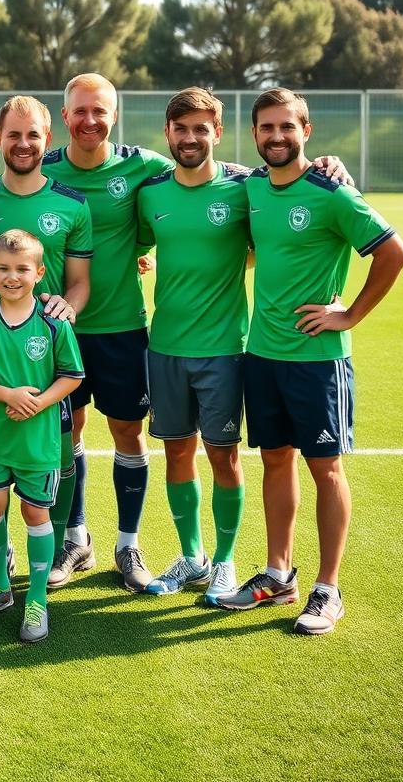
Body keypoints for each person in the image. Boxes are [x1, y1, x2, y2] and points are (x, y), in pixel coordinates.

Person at [217, 89, 403, 634]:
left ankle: (328, 588)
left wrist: (349, 314)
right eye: (266, 128)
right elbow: (201, 164)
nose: (276, 137)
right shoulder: (250, 185)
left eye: (286, 127)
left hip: (318, 361)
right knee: (275, 460)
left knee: (324, 467)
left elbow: (394, 253)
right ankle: (278, 575)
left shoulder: (332, 193)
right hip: (262, 353)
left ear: (307, 130)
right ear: (254, 135)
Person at [41, 73, 173, 591]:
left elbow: (211, 171)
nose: (90, 120)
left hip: (121, 327)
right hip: (57, 328)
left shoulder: (142, 166)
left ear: (113, 115)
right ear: (65, 115)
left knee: (127, 432)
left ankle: (128, 543)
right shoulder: (43, 169)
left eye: (100, 111)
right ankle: (76, 539)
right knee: (64, 434)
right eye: (80, 111)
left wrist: (324, 165)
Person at [0, 95, 92, 595]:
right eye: (13, 135)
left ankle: (58, 546)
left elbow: (79, 282)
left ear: (47, 140)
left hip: (46, 357)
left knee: (56, 456)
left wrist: (68, 310)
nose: (22, 144)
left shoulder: (72, 204)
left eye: (32, 135)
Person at [135, 88, 251, 603]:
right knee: (176, 452)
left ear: (217, 133)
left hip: (224, 348)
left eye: (201, 128)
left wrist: (328, 162)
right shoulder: (152, 193)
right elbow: (136, 244)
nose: (190, 138)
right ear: (167, 133)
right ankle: (192, 557)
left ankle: (225, 562)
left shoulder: (245, 188)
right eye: (181, 129)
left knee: (223, 456)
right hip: (165, 347)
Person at [0, 230, 84, 642]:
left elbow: (72, 376)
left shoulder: (53, 322)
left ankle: (38, 598)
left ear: (39, 272)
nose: (13, 277)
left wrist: (39, 402)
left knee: (34, 514)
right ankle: (0, 587)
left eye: (23, 269)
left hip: (38, 440)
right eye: (4, 269)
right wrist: (7, 394)